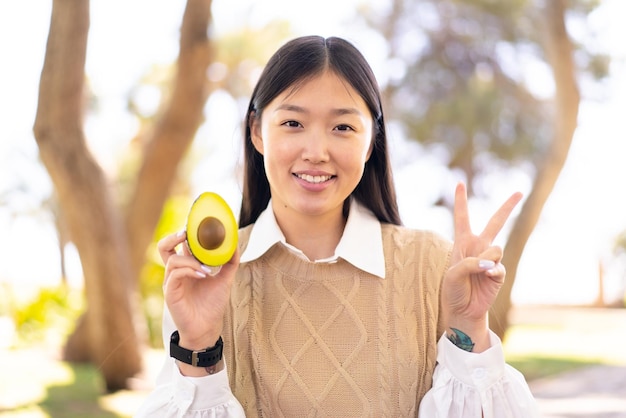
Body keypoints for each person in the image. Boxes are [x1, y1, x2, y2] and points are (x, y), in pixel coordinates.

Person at [136, 35, 538, 417]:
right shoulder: (206, 278)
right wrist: (199, 342)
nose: (316, 152)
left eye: (342, 127)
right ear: (258, 131)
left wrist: (468, 327)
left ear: (371, 141)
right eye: (293, 123)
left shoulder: (434, 268)